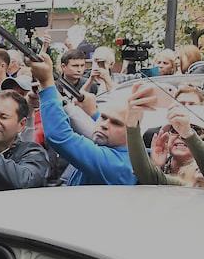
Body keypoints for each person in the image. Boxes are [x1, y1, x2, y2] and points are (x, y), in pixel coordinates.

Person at [31, 57, 135, 186]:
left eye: (116, 123)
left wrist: (46, 83)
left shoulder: (117, 164)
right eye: (103, 117)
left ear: (132, 133)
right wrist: (93, 113)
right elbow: (102, 122)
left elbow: (59, 136)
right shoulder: (113, 146)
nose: (104, 125)